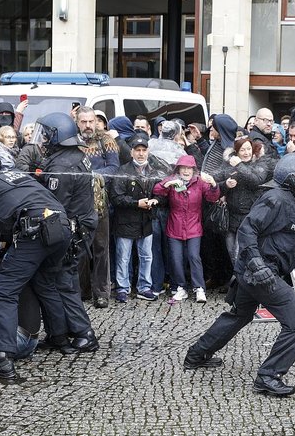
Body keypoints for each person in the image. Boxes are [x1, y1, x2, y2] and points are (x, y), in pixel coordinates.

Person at [183, 153, 295, 396]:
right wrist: (257, 264)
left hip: (258, 272)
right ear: (291, 180)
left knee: (240, 315)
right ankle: (269, 376)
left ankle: (197, 354)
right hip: (260, 272)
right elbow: (247, 230)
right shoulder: (276, 198)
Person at [0, 169, 74, 380]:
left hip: (34, 228)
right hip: (62, 225)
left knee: (3, 290)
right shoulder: (18, 175)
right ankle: (59, 337)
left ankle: (3, 358)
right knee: (45, 281)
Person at [32, 112, 100, 354]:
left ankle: (84, 333)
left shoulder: (62, 164)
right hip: (80, 224)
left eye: (47, 135)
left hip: (73, 229)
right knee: (57, 278)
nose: (43, 140)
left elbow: (54, 203)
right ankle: (59, 331)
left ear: (57, 135)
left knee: (63, 280)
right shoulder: (72, 156)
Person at [109, 134, 170, 302]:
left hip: (146, 221)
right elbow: (116, 197)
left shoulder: (154, 171)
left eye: (144, 150)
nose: (141, 154)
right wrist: (137, 203)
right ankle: (123, 288)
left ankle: (144, 287)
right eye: (138, 150)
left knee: (146, 257)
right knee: (123, 257)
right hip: (125, 222)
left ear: (148, 152)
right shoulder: (122, 171)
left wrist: (155, 200)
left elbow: (163, 194)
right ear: (131, 152)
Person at [152, 154, 221, 303]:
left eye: (189, 168)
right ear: (178, 169)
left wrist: (214, 184)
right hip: (175, 226)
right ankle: (180, 288)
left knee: (194, 256)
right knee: (176, 259)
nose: (186, 171)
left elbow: (212, 197)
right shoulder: (172, 180)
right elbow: (157, 190)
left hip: (193, 226)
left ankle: (199, 288)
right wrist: (166, 185)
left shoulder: (199, 182)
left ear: (194, 170)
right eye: (183, 168)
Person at [75, 107, 120, 308]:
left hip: (100, 204)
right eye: (83, 122)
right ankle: (82, 290)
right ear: (77, 123)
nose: (87, 125)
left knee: (101, 249)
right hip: (77, 205)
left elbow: (113, 168)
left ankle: (101, 292)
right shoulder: (72, 142)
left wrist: (90, 175)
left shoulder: (106, 141)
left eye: (90, 121)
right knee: (80, 250)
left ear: (96, 121)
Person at [219, 138, 269, 263]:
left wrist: (239, 165)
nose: (246, 153)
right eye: (242, 150)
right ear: (236, 152)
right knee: (232, 253)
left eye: (248, 149)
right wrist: (225, 184)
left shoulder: (260, 163)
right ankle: (238, 278)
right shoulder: (229, 164)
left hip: (250, 216)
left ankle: (244, 280)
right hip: (232, 216)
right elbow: (218, 177)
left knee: (243, 253)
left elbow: (256, 179)